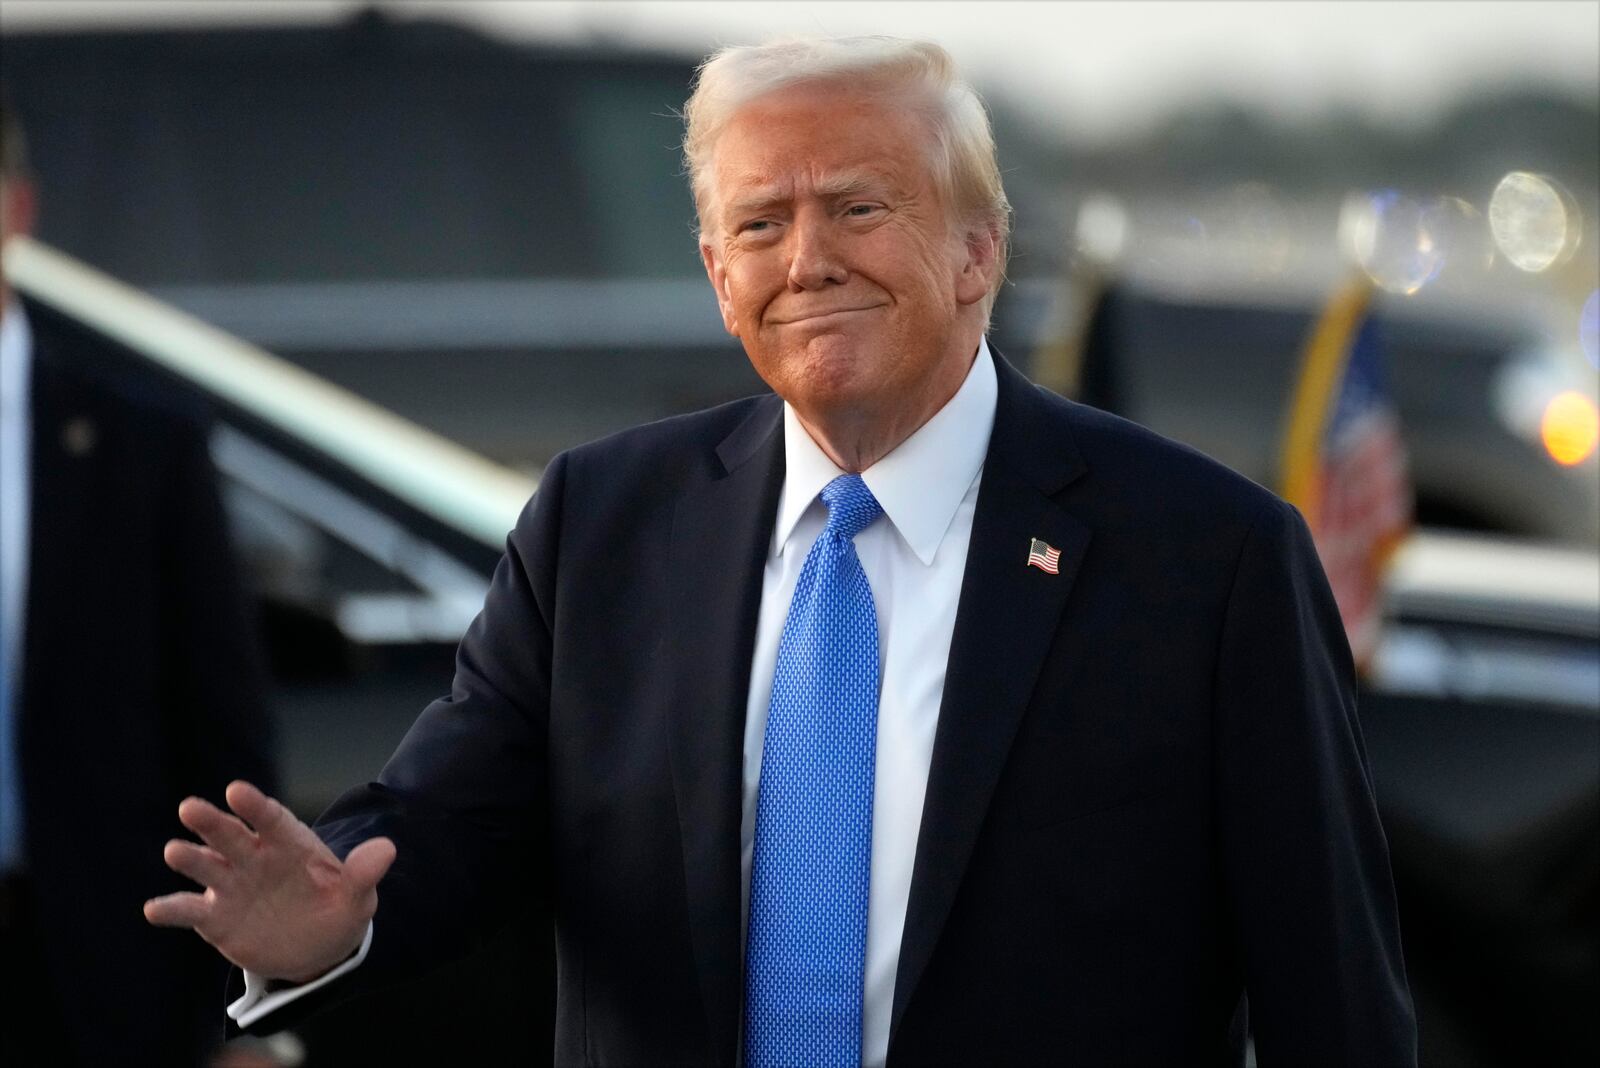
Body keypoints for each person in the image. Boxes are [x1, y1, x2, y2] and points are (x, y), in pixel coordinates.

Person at [146, 38, 1415, 1066]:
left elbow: (1333, 999)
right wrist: (318, 926)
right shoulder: (604, 521)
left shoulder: (1206, 556)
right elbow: (449, 822)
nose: (806, 261)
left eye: (858, 207)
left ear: (979, 251)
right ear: (713, 271)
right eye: (759, 226)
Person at [0, 97, 276, 1066]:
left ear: (18, 208)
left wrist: (253, 1015)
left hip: (102, 971)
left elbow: (220, 724)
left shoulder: (140, 440)